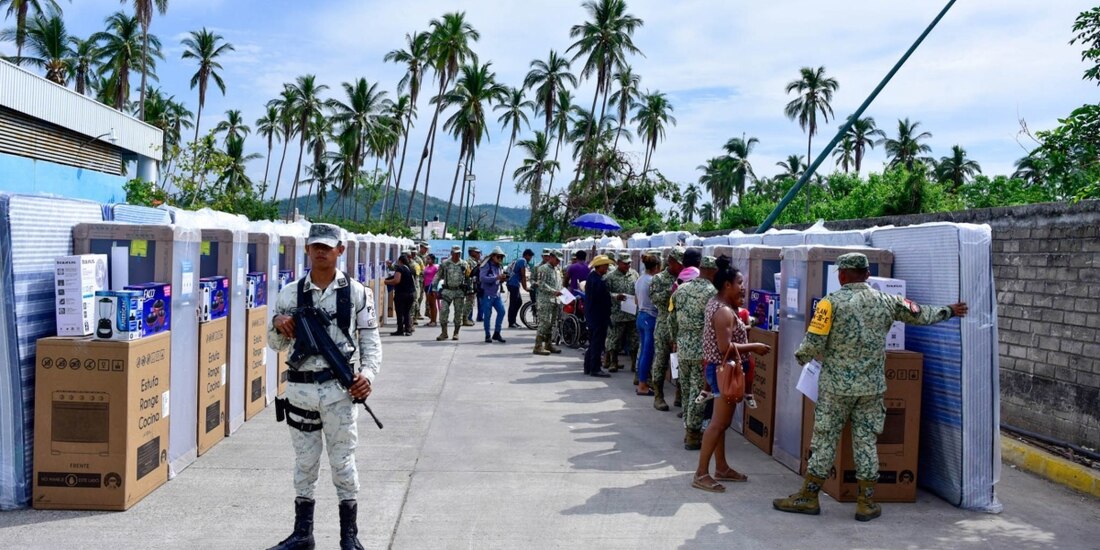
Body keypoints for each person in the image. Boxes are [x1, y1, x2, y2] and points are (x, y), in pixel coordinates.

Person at [773, 252, 968, 522]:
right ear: (867, 274)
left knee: (825, 441)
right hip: (871, 389)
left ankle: (809, 497)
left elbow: (813, 343)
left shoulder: (830, 303)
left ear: (841, 275)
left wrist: (800, 358)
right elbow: (920, 314)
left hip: (836, 389)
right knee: (866, 443)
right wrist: (949, 310)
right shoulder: (887, 300)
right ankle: (866, 503)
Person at [267, 223, 381, 550]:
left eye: (327, 247)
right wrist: (278, 323)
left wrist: (367, 376)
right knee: (304, 463)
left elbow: (371, 342)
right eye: (315, 245)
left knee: (343, 462)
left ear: (339, 250)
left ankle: (349, 536)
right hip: (301, 392)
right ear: (307, 249)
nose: (321, 251)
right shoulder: (290, 293)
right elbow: (275, 345)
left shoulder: (358, 293)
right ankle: (303, 535)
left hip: (339, 392)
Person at [693, 257, 771, 493]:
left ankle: (722, 467)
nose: (743, 287)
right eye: (739, 283)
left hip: (721, 369)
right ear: (727, 285)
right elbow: (725, 347)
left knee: (722, 422)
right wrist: (755, 346)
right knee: (718, 423)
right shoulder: (723, 311)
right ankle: (701, 473)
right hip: (724, 370)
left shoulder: (719, 305)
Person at [669, 249, 716, 450]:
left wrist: (676, 340)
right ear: (710, 271)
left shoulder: (681, 290)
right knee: (699, 393)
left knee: (688, 390)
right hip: (701, 349)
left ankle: (688, 429)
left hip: (683, 347)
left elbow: (671, 319)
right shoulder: (712, 293)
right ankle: (693, 434)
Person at [649, 247, 684, 411]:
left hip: (681, 325)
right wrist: (672, 290)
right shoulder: (659, 278)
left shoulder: (686, 277)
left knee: (680, 361)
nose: (682, 267)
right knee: (661, 361)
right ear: (671, 262)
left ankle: (679, 393)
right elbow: (654, 298)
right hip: (664, 323)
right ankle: (658, 396)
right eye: (679, 264)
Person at [604, 252, 639, 373]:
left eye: (629, 263)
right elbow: (604, 294)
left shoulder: (634, 274)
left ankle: (635, 363)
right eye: (625, 263)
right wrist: (615, 296)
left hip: (632, 313)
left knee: (634, 340)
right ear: (618, 263)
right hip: (617, 313)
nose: (627, 265)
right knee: (614, 339)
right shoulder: (610, 276)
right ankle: (613, 362)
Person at [634, 250, 662, 396]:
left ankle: (641, 380)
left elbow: (636, 301)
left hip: (641, 316)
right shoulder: (652, 281)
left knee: (644, 350)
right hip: (650, 318)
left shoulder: (640, 279)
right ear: (657, 266)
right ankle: (642, 385)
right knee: (647, 353)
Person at [583, 255, 614, 377]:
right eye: (605, 266)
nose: (607, 268)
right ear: (598, 266)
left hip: (592, 315)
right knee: (597, 343)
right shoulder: (598, 281)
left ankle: (588, 366)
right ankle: (595, 368)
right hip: (598, 317)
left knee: (593, 342)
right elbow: (602, 300)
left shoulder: (592, 277)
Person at [435, 246, 469, 341]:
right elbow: (438, 275)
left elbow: (468, 277)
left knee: (458, 313)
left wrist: (470, 289)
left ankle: (456, 332)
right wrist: (434, 287)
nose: (457, 255)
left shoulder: (464, 264)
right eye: (455, 253)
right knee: (443, 311)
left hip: (459, 291)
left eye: (459, 253)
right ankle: (444, 333)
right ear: (451, 253)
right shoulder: (445, 264)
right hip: (447, 291)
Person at [533, 249, 564, 356]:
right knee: (544, 322)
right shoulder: (543, 268)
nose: (558, 262)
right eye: (557, 259)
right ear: (551, 257)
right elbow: (541, 284)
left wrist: (562, 292)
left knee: (551, 323)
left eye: (559, 260)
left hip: (555, 300)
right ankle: (538, 346)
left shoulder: (557, 269)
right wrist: (554, 291)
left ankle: (548, 344)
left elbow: (559, 283)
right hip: (545, 300)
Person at [480, 246, 509, 343]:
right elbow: (483, 278)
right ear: (493, 256)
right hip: (487, 294)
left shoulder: (499, 266)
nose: (500, 259)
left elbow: (497, 280)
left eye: (502, 257)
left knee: (502, 311)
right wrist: (497, 278)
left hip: (496, 294)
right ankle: (487, 335)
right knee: (487, 315)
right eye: (498, 257)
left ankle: (497, 333)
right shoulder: (486, 265)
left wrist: (502, 279)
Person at [383, 253, 415, 336]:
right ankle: (408, 330)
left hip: (401, 294)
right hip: (410, 294)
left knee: (400, 313)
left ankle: (400, 330)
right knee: (407, 312)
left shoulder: (400, 268)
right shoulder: (409, 268)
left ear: (400, 261)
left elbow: (396, 280)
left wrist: (386, 282)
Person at [506, 249, 534, 328]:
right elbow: (523, 275)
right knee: (514, 303)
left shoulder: (519, 259)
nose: (530, 259)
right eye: (530, 257)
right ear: (527, 255)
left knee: (518, 302)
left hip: (513, 283)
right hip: (513, 284)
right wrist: (525, 288)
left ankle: (513, 321)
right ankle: (511, 322)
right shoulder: (523, 261)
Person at [464, 247, 482, 326]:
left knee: (471, 302)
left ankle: (468, 317)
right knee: (469, 302)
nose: (479, 254)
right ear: (471, 253)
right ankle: (467, 317)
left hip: (475, 284)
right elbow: (468, 274)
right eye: (477, 253)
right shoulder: (468, 262)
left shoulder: (476, 261)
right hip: (470, 285)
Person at [414, 241, 429, 321]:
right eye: (425, 248)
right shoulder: (416, 256)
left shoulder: (427, 256)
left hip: (425, 279)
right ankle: (416, 313)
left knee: (421, 296)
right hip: (419, 279)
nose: (426, 249)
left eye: (427, 248)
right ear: (421, 247)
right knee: (418, 296)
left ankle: (419, 311)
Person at [423, 254, 439, 327]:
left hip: (431, 287)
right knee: (430, 304)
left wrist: (434, 288)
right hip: (426, 286)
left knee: (433, 304)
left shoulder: (436, 267)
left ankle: (434, 321)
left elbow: (438, 278)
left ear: (432, 260)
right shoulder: (426, 267)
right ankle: (431, 320)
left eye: (429, 259)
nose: (427, 260)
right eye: (427, 259)